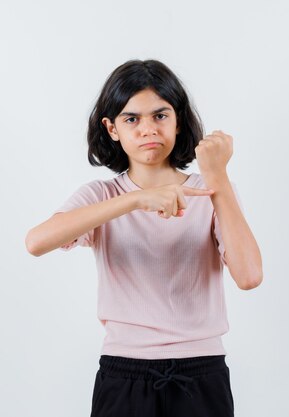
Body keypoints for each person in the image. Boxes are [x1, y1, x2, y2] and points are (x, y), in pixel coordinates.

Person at [25, 59, 263, 417]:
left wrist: (218, 176)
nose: (148, 128)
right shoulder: (103, 195)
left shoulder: (212, 192)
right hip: (125, 374)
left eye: (160, 115)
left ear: (178, 120)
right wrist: (135, 200)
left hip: (201, 372)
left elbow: (249, 276)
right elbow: (36, 242)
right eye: (132, 118)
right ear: (112, 128)